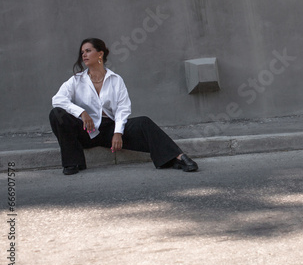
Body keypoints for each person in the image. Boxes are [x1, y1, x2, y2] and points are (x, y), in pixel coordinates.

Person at [49, 38, 198, 175]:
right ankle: (72, 163)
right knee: (56, 114)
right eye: (82, 52)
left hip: (110, 130)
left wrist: (118, 132)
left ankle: (177, 157)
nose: (84, 55)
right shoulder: (77, 80)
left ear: (100, 54)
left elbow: (123, 107)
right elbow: (58, 99)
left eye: (88, 51)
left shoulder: (115, 80)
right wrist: (81, 112)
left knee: (144, 122)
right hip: (86, 131)